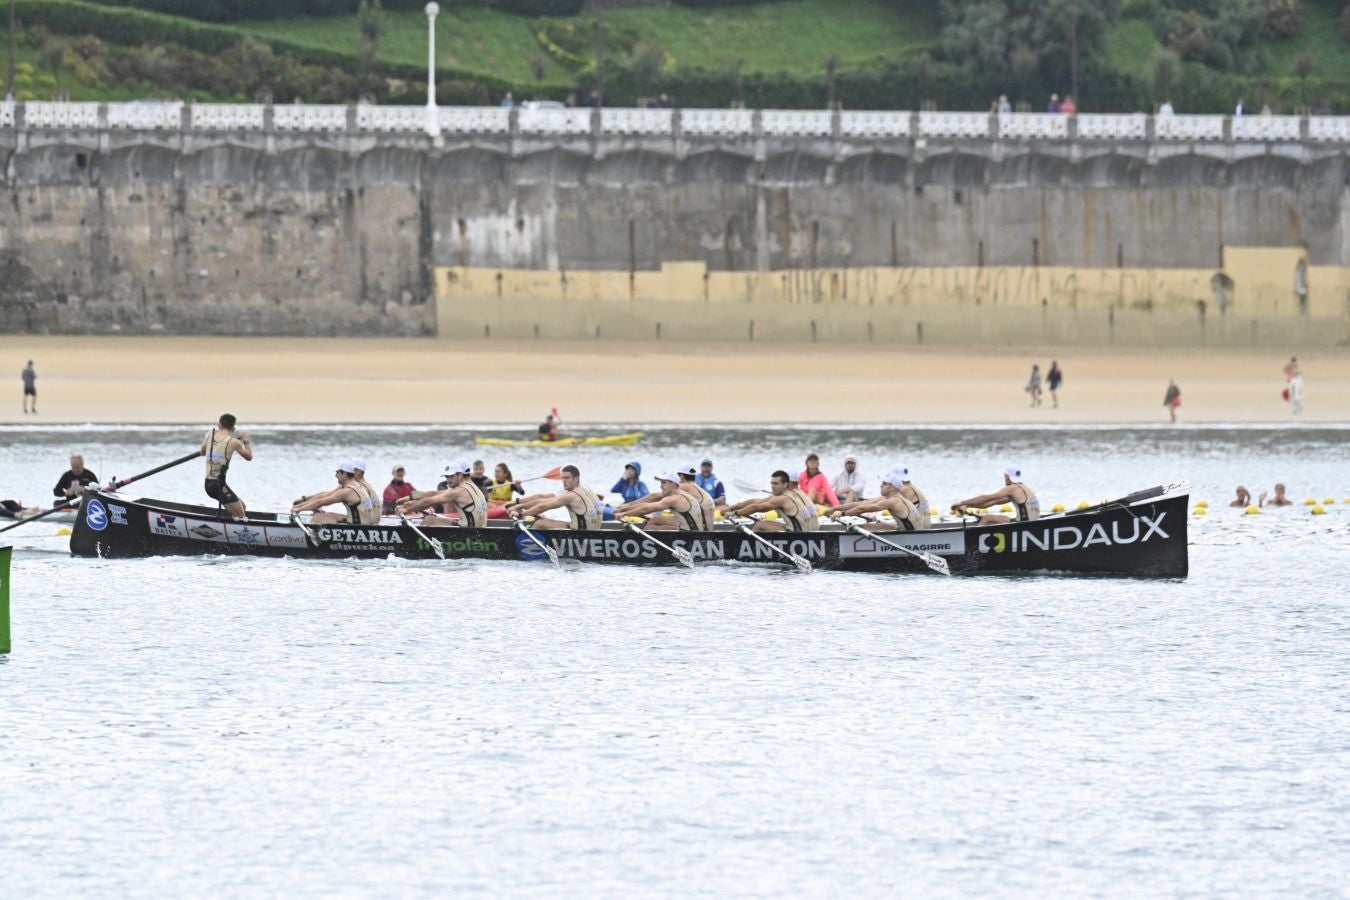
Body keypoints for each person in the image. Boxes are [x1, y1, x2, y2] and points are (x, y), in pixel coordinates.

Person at [508, 464, 604, 530]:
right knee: (543, 519)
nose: (563, 481)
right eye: (562, 478)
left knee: (539, 524)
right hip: (592, 529)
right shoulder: (586, 490)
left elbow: (543, 506)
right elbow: (545, 501)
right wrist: (520, 506)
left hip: (582, 533)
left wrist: (522, 512)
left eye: (567, 478)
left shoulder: (571, 495)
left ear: (576, 478)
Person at [722, 470, 820, 533]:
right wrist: (732, 507)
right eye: (771, 483)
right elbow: (756, 501)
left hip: (800, 535)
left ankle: (751, 553)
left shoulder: (781, 498)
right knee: (762, 522)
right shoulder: (798, 492)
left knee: (759, 525)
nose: (772, 486)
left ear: (786, 484)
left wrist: (734, 513)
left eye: (776, 483)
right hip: (812, 531)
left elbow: (756, 507)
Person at [827, 470, 926, 532]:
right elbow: (863, 503)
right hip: (908, 530)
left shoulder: (893, 501)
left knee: (864, 528)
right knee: (869, 526)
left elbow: (865, 508)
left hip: (910, 535)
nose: (880, 485)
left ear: (892, 487)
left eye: (884, 483)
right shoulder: (893, 497)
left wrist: (842, 514)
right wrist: (837, 507)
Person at [399, 460, 487, 528]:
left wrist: (407, 510)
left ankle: (419, 548)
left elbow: (428, 501)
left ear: (460, 475)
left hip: (470, 531)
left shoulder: (458, 491)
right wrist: (409, 498)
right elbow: (435, 493)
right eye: (447, 477)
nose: (448, 480)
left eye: (451, 476)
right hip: (477, 528)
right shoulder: (470, 485)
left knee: (429, 520)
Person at [612, 473, 707, 531]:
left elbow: (647, 508)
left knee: (651, 527)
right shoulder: (678, 493)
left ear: (673, 484)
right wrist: (625, 508)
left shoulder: (674, 498)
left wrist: (624, 514)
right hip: (693, 529)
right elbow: (648, 502)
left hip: (691, 535)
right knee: (655, 520)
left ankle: (642, 546)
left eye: (663, 483)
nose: (661, 486)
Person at [199, 414, 253, 518]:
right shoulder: (234, 442)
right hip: (217, 486)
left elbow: (202, 452)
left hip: (209, 483)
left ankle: (228, 524)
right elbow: (249, 457)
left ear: (219, 424)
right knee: (242, 517)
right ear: (233, 428)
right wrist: (246, 440)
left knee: (243, 507)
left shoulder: (210, 435)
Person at [952, 465, 1040, 526]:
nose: (1004, 479)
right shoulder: (1022, 488)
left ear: (1008, 476)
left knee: (987, 519)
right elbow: (989, 503)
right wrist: (967, 505)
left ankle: (971, 544)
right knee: (995, 518)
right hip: (1031, 523)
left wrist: (960, 503)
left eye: (1005, 476)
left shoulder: (1012, 488)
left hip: (1023, 525)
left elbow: (985, 498)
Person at [292, 462, 373, 525]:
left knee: (318, 517)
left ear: (344, 473)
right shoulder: (355, 485)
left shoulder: (347, 491)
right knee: (327, 514)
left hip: (360, 526)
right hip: (363, 522)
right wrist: (302, 502)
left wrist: (298, 509)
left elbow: (320, 502)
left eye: (337, 472)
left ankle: (314, 540)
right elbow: (324, 496)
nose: (335, 475)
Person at [350, 458, 380, 523]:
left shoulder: (360, 486)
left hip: (367, 526)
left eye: (354, 470)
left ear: (361, 472)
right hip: (373, 523)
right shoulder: (367, 485)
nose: (350, 472)